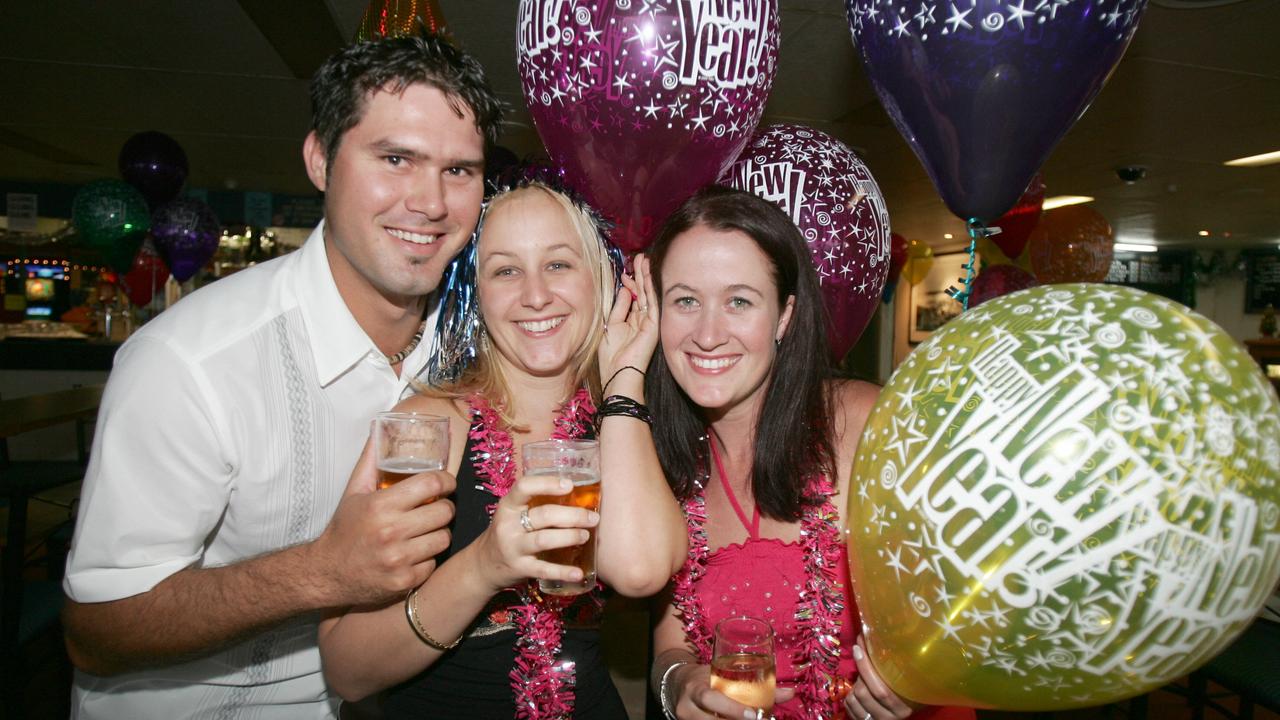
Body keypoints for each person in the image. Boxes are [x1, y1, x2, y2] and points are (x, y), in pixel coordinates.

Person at [59, 33, 503, 719]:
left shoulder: (473, 345)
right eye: (395, 159)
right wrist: (324, 571)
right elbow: (96, 631)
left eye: (460, 171)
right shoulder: (190, 363)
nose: (431, 202)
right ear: (320, 160)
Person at [318, 181, 687, 718]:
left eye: (559, 264)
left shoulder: (624, 425)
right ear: (477, 291)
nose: (535, 295)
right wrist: (484, 567)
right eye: (506, 270)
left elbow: (639, 570)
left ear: (602, 282)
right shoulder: (424, 428)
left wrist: (625, 379)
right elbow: (349, 670)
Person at [645, 187, 976, 720]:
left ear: (783, 316)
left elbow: (975, 604)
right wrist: (679, 682)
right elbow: (669, 645)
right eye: (685, 300)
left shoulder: (866, 423)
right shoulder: (660, 457)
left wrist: (919, 684)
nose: (707, 334)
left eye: (739, 301)